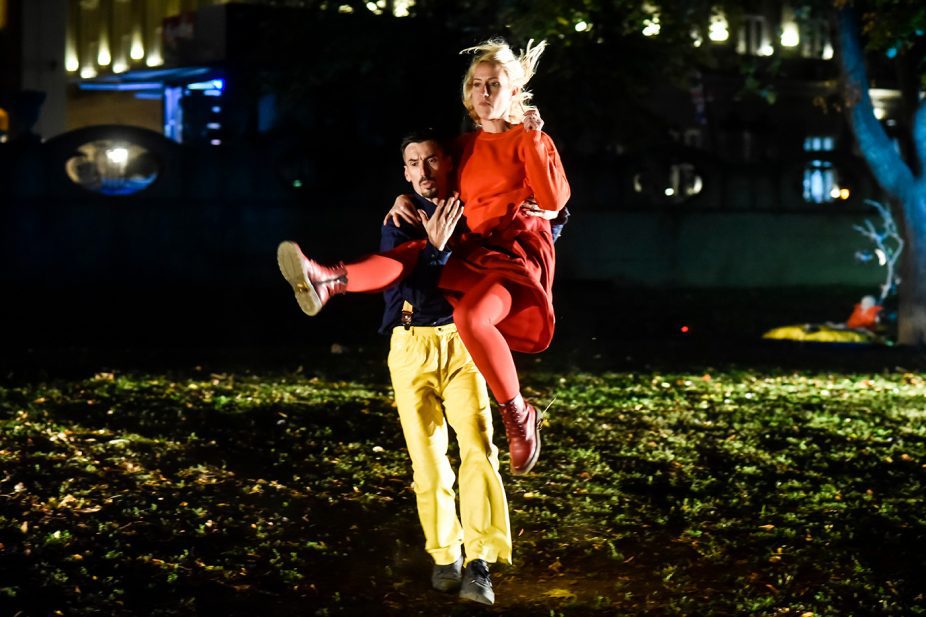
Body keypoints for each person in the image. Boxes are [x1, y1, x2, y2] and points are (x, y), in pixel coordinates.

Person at [277, 38, 570, 477]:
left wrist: (532, 137)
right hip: (474, 250)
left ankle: (518, 414)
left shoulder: (530, 138)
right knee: (416, 251)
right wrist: (403, 197)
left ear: (513, 90)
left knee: (472, 317)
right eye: (476, 84)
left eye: (494, 84)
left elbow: (552, 199)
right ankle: (329, 280)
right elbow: (431, 177)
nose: (484, 92)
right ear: (467, 93)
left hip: (516, 257)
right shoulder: (463, 145)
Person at [382, 129, 508, 605]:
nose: (423, 171)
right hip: (410, 345)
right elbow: (412, 292)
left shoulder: (473, 211)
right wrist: (432, 248)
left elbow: (515, 241)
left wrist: (554, 218)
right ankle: (444, 555)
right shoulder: (399, 220)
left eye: (432, 160)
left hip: (461, 342)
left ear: (449, 163)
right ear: (405, 172)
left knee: (479, 447)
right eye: (414, 163)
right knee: (428, 460)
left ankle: (480, 562)